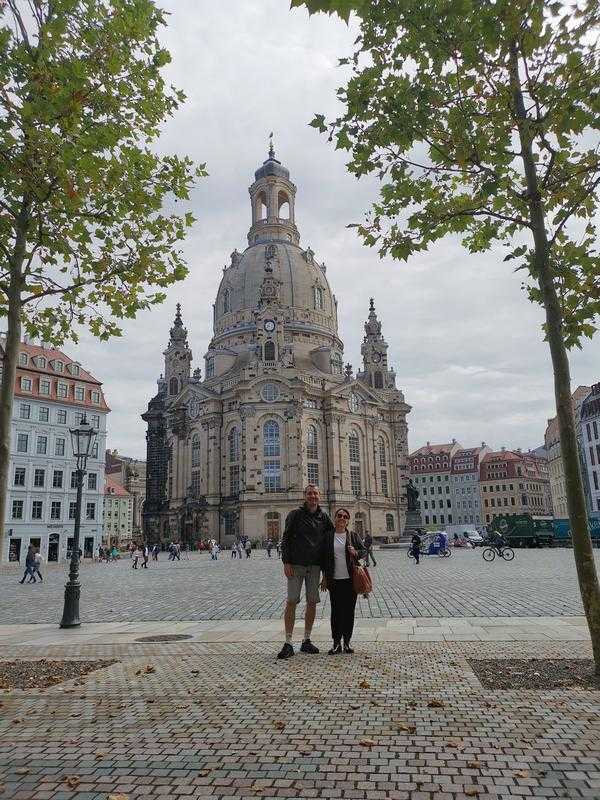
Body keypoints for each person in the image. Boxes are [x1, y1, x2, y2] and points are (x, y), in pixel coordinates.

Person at [277, 484, 334, 660]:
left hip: (315, 566)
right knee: (292, 600)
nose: (313, 496)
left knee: (312, 602)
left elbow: (330, 543)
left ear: (320, 496)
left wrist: (326, 573)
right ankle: (288, 642)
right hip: (296, 565)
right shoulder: (295, 515)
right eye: (310, 494)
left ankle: (306, 640)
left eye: (315, 494)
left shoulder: (324, 517)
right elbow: (285, 538)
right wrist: (286, 561)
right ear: (305, 496)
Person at [321, 508, 366, 654]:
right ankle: (336, 643)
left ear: (348, 520)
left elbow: (364, 551)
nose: (342, 518)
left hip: (350, 580)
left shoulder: (352, 535)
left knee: (349, 612)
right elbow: (325, 559)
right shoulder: (328, 536)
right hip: (335, 580)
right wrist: (324, 578)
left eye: (345, 516)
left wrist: (356, 552)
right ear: (335, 518)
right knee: (336, 612)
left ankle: (346, 642)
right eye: (339, 516)